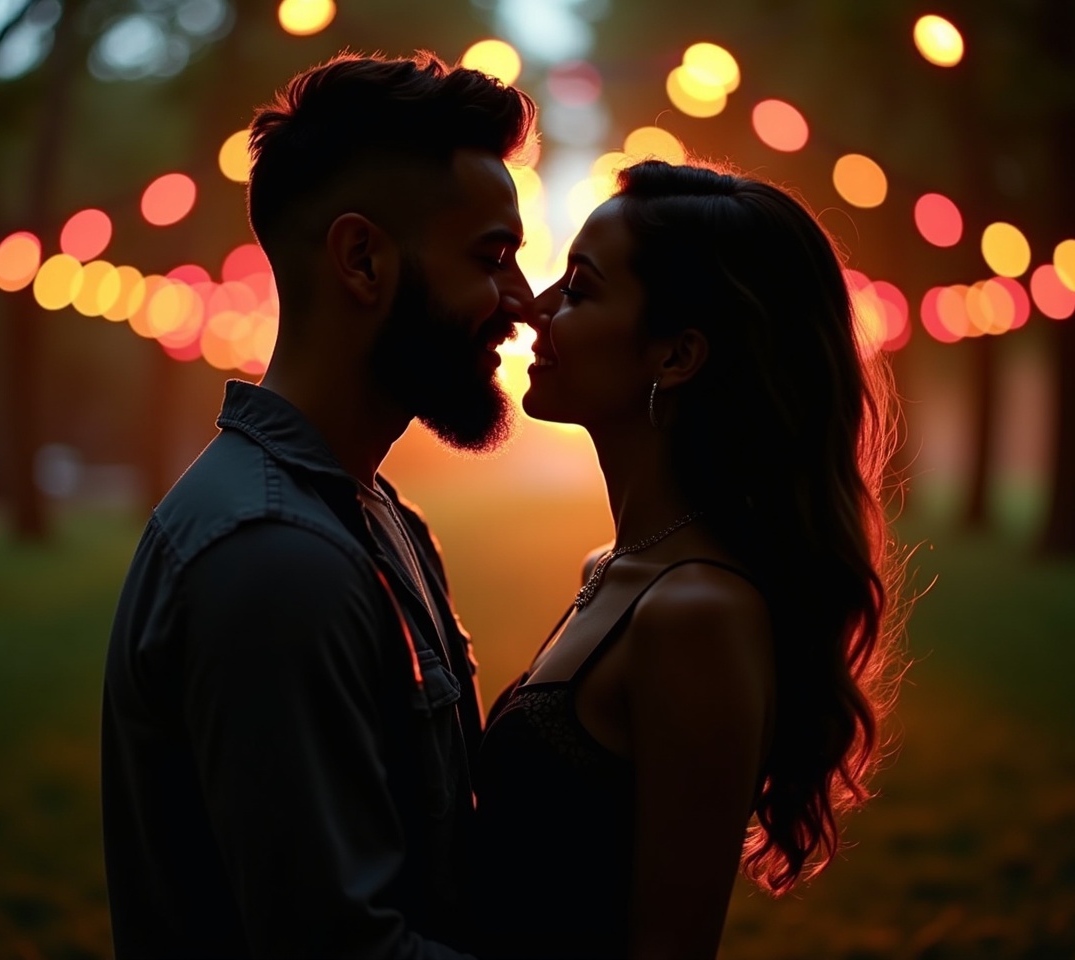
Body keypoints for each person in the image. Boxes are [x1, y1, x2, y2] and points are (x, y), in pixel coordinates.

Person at [101, 52, 536, 958]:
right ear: (362, 259)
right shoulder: (274, 559)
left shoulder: (373, 516)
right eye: (491, 258)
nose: (521, 303)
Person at [471, 160, 908, 959]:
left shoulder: (695, 614)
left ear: (677, 357)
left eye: (579, 289)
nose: (534, 308)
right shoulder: (612, 568)